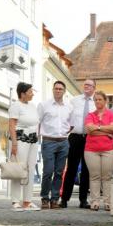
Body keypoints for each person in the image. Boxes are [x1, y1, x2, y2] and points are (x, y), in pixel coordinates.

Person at [37, 80, 72, 209]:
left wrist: (64, 133)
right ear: (53, 90)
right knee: (48, 171)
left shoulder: (69, 106)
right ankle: (45, 198)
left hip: (63, 142)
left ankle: (55, 199)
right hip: (48, 141)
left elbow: (71, 124)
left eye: (60, 89)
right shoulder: (44, 105)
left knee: (59, 172)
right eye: (56, 88)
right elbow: (38, 122)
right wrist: (38, 138)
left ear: (64, 91)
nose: (58, 91)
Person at [61, 79, 96, 209]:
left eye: (89, 85)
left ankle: (83, 200)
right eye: (85, 84)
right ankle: (64, 199)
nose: (86, 87)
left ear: (94, 88)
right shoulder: (74, 100)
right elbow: (66, 117)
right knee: (71, 169)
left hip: (90, 138)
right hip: (75, 137)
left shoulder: (96, 102)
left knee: (86, 170)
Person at [83, 91, 113, 211]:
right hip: (91, 150)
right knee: (94, 176)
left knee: (107, 176)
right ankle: (95, 202)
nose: (98, 101)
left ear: (105, 101)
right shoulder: (90, 115)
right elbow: (89, 130)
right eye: (96, 100)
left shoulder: (112, 115)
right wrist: (106, 132)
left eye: (100, 99)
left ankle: (108, 202)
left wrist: (97, 128)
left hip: (108, 150)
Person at [8, 82, 41, 211]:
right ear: (23, 94)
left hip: (33, 139)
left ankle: (27, 201)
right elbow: (11, 126)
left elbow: (35, 122)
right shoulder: (16, 106)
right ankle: (15, 201)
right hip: (20, 139)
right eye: (30, 91)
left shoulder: (32, 106)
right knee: (18, 169)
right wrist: (14, 143)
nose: (32, 94)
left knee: (30, 169)